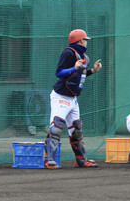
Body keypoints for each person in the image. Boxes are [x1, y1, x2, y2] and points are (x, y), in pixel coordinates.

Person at [44, 29, 102, 169]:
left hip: (73, 98)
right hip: (61, 96)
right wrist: (73, 68)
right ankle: (49, 160)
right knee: (57, 127)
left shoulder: (85, 57)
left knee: (76, 129)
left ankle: (81, 160)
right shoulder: (69, 53)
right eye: (85, 39)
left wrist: (92, 71)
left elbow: (79, 75)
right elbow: (59, 72)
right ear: (81, 40)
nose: (86, 42)